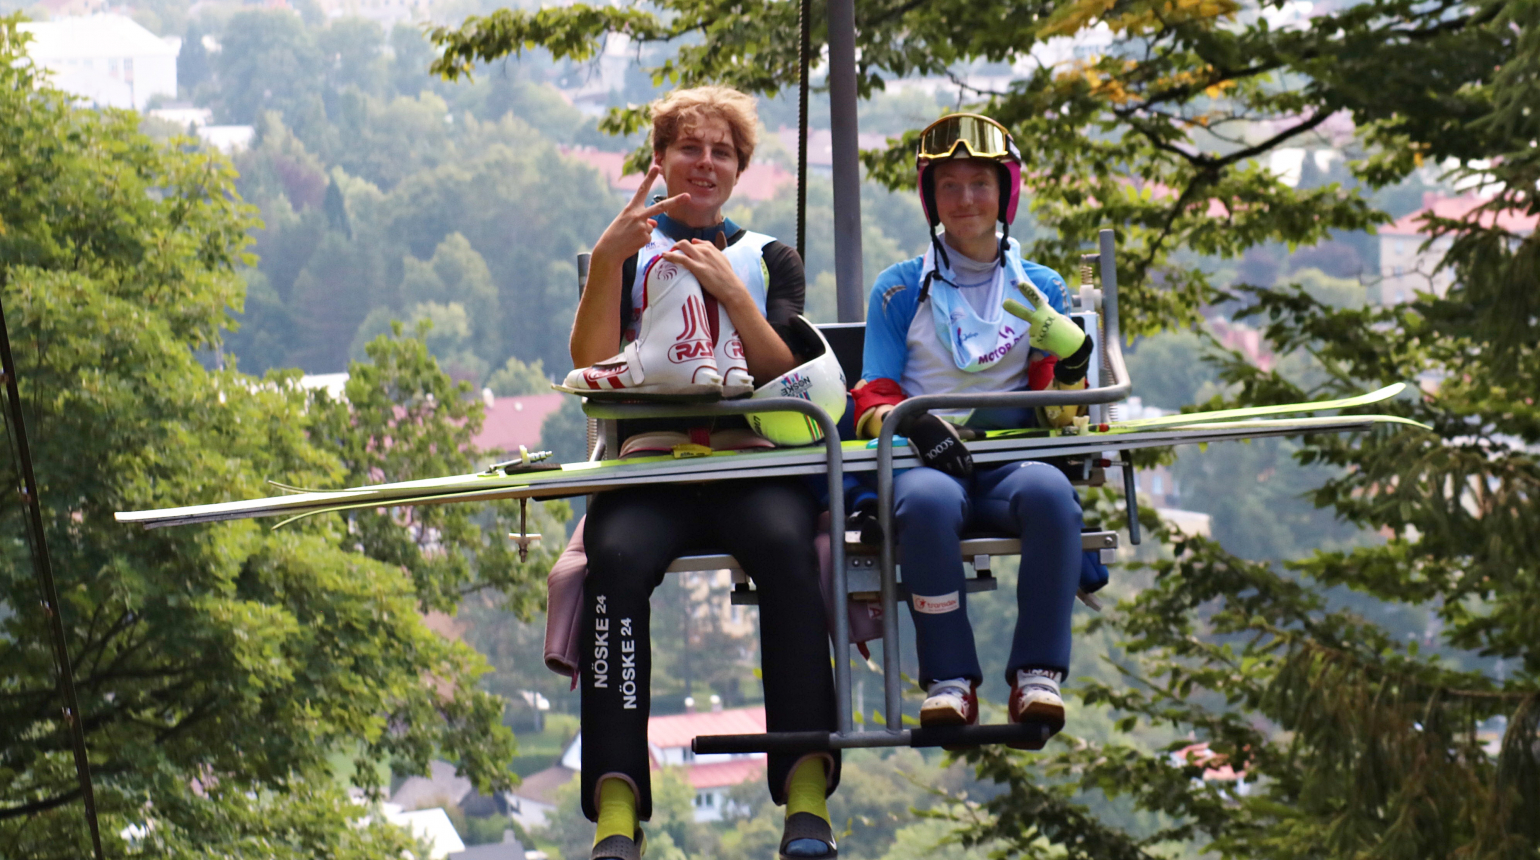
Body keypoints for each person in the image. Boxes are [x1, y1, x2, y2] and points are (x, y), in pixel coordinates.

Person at [569, 86, 841, 860]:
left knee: (787, 551)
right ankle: (617, 808)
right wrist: (608, 266)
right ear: (661, 161)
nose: (705, 163)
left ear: (739, 168)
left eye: (722, 151)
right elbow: (588, 364)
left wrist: (729, 290)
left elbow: (785, 372)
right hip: (651, 463)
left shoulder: (767, 259)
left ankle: (806, 795)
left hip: (745, 458)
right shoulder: (621, 251)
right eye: (690, 148)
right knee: (614, 563)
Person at [850, 113, 1096, 737]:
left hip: (1011, 458)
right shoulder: (899, 290)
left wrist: (1070, 363)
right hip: (924, 459)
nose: (965, 200)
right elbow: (871, 393)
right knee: (927, 505)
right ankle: (949, 680)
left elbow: (1058, 413)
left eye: (979, 184)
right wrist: (917, 424)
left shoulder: (1039, 287)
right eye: (949, 186)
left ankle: (1038, 674)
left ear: (1004, 192)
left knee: (1051, 495)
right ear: (931, 198)